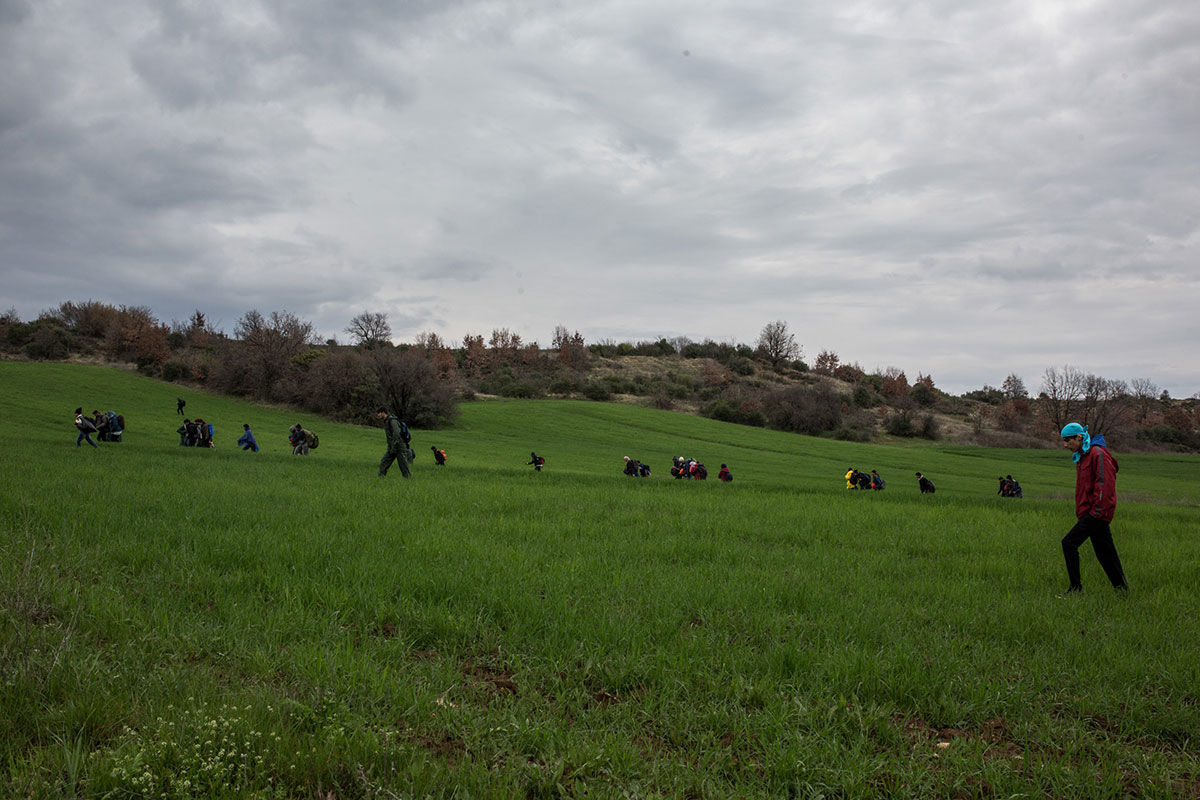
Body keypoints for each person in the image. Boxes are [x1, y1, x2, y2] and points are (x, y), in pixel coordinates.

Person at [1059, 423, 1127, 595]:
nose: (1065, 445)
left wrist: (1096, 512)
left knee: (1069, 543)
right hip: (1089, 514)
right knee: (1106, 554)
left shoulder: (1098, 454)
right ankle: (1122, 591)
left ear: (1079, 437)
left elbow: (1105, 486)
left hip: (1096, 514)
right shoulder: (1083, 456)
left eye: (1068, 441)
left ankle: (1075, 589)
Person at [376, 407, 411, 478]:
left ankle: (408, 480)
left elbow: (397, 433)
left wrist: (394, 446)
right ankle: (380, 478)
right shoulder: (386, 421)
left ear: (383, 412)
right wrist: (391, 447)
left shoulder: (392, 421)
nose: (378, 415)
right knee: (384, 462)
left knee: (403, 465)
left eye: (379, 413)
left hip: (399, 446)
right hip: (392, 447)